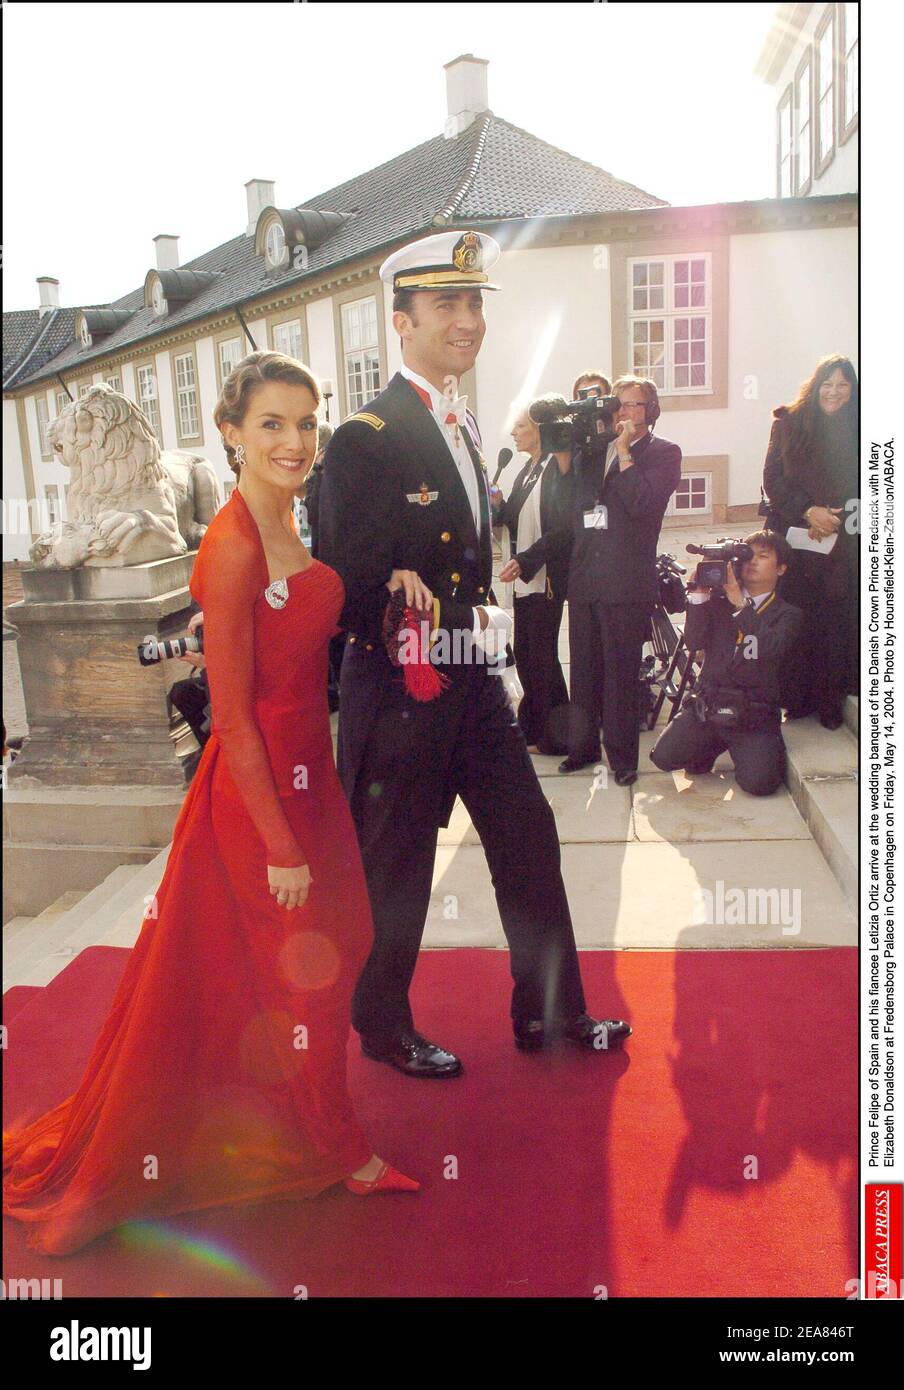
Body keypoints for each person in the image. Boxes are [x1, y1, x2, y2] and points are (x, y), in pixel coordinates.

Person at [3, 351, 416, 1256]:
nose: (295, 441)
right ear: (230, 433)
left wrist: (388, 599)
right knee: (300, 977)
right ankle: (335, 1150)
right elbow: (230, 715)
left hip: (310, 780)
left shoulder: (292, 520)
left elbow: (304, 636)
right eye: (272, 424)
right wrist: (281, 845)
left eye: (306, 423)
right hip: (260, 799)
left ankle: (295, 1127)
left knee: (332, 950)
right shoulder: (229, 550)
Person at [317, 230, 631, 1078]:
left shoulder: (460, 417)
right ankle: (383, 1029)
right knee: (399, 872)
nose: (466, 319)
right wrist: (464, 612)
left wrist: (468, 610)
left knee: (529, 840)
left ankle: (550, 1012)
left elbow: (447, 556)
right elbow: (348, 591)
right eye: (446, 304)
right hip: (401, 696)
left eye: (473, 302)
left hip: (474, 692)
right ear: (402, 320)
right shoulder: (366, 437)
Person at [561, 375, 681, 784]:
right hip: (586, 579)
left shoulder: (664, 453)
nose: (625, 412)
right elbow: (576, 508)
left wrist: (626, 453)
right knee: (584, 671)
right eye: (620, 405)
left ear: (650, 411)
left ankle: (623, 759)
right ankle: (582, 748)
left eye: (635, 405)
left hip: (627, 583)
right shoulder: (595, 452)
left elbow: (644, 505)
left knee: (620, 675)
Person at [649, 531, 802, 795]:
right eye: (748, 555)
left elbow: (771, 648)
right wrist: (698, 598)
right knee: (663, 758)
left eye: (763, 556)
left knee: (759, 785)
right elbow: (694, 642)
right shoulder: (718, 602)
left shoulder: (788, 615)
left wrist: (741, 605)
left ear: (781, 569)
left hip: (753, 715)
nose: (752, 561)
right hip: (709, 707)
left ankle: (746, 748)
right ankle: (713, 744)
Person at [762, 355, 859, 728]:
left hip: (845, 540)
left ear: (853, 389)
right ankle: (798, 699)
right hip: (799, 538)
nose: (834, 392)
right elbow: (773, 479)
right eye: (827, 383)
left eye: (843, 384)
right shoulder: (788, 423)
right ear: (815, 385)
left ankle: (831, 702)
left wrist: (838, 519)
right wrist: (809, 511)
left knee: (835, 623)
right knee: (799, 619)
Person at [496, 404, 574, 754]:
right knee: (528, 654)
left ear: (539, 430)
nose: (514, 432)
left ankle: (556, 735)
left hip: (544, 578)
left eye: (521, 426)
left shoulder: (554, 469)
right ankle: (534, 729)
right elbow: (512, 515)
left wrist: (525, 561)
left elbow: (562, 530)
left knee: (541, 655)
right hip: (525, 578)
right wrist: (495, 504)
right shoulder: (526, 468)